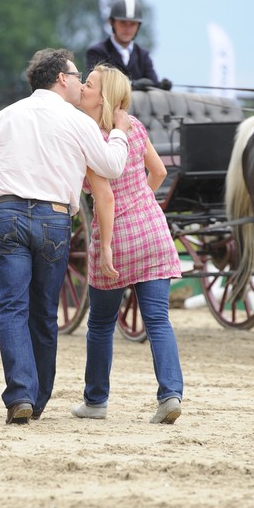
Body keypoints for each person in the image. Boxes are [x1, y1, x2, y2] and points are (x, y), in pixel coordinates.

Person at [0, 48, 131, 426]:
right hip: (53, 218)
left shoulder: (6, 115)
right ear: (61, 78)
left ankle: (20, 393)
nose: (79, 81)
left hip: (8, 212)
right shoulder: (78, 122)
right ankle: (36, 400)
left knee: (10, 307)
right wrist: (119, 133)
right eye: (76, 76)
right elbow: (111, 167)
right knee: (44, 312)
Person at [71, 64, 183, 424]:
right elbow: (160, 173)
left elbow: (103, 198)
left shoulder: (90, 137)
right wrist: (140, 204)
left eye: (88, 85)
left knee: (101, 324)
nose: (82, 89)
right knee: (158, 320)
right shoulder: (133, 126)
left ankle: (96, 401)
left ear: (102, 97)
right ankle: (170, 395)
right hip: (153, 231)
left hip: (118, 238)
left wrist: (104, 248)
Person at [86, 0, 172, 91]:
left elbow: (153, 83)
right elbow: (100, 83)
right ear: (112, 22)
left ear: (138, 26)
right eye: (123, 23)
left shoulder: (143, 55)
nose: (127, 28)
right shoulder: (97, 52)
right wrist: (132, 85)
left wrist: (162, 86)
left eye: (132, 24)